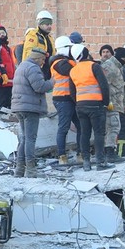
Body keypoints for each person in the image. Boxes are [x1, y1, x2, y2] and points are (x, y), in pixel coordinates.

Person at [69, 44, 113, 171]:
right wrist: (105, 101)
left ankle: (86, 162)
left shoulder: (73, 70)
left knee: (84, 133)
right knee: (99, 133)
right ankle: (100, 162)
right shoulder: (94, 66)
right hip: (96, 105)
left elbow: (72, 91)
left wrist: (78, 102)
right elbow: (104, 85)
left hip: (81, 106)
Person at [11, 48, 54, 178]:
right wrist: (52, 82)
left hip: (20, 107)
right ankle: (30, 170)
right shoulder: (33, 68)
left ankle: (19, 169)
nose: (43, 63)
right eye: (42, 60)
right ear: (37, 58)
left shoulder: (21, 66)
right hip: (30, 108)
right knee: (30, 139)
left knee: (24, 138)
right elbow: (40, 87)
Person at [51, 35, 81, 165]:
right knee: (63, 128)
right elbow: (73, 71)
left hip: (70, 98)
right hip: (62, 98)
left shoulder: (66, 61)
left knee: (80, 126)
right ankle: (62, 155)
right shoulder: (59, 63)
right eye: (69, 47)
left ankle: (80, 154)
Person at [101, 46, 125, 164]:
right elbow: (104, 85)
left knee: (113, 127)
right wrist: (109, 101)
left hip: (116, 104)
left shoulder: (117, 67)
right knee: (113, 127)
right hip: (110, 104)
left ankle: (109, 151)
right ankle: (109, 153)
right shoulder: (110, 66)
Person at [22, 11, 55, 79]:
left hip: (48, 70)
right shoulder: (33, 35)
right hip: (35, 69)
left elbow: (53, 53)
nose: (49, 26)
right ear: (40, 24)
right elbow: (29, 51)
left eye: (50, 24)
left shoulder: (50, 38)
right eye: (47, 24)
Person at [0, 24, 15, 110]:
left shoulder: (8, 48)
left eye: (3, 33)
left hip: (10, 81)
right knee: (2, 106)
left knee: (9, 105)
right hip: (2, 82)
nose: (2, 35)